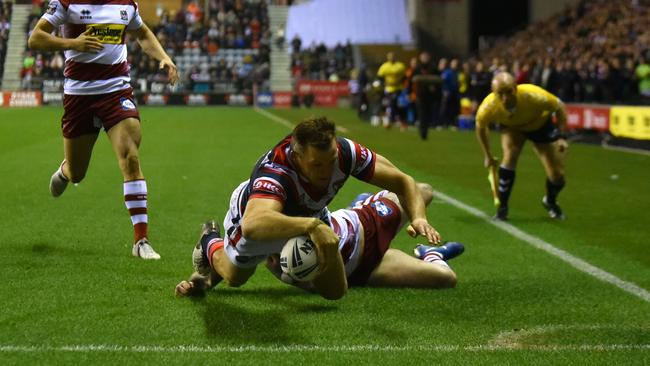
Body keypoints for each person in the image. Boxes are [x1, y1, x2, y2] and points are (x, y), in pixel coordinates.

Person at [175, 117, 442, 300]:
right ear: (298, 156)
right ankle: (209, 240)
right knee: (235, 277)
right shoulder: (276, 174)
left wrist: (418, 217)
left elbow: (402, 180)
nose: (327, 172)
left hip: (309, 214)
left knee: (335, 290)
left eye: (331, 161)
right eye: (317, 165)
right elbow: (254, 224)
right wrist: (313, 226)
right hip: (260, 215)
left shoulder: (344, 153)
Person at [28, 1, 179, 259]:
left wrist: (164, 57)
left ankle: (141, 240)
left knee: (130, 157)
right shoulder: (66, 3)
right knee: (78, 173)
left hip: (116, 90)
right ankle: (66, 171)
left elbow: (142, 32)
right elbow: (36, 38)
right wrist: (73, 44)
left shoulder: (126, 4)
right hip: (79, 94)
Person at [175, 184, 464, 297]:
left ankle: (363, 202)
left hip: (366, 225)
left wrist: (418, 218)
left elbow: (422, 190)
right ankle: (431, 254)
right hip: (366, 271)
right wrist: (199, 282)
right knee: (444, 277)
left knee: (423, 193)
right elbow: (227, 270)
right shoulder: (267, 241)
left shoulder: (296, 214)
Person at [475, 72, 569, 221]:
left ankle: (550, 201)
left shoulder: (533, 94)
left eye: (509, 92)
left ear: (516, 88)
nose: (505, 98)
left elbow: (559, 106)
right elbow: (480, 128)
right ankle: (502, 208)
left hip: (540, 126)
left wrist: (562, 136)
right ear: (493, 93)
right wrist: (488, 155)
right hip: (513, 129)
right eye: (500, 94)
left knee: (557, 176)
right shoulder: (488, 106)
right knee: (510, 155)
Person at [411, 51, 441, 140]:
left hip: (430, 95)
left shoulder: (433, 68)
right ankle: (422, 132)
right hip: (420, 95)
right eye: (423, 57)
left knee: (428, 114)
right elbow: (413, 80)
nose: (425, 58)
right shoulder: (418, 68)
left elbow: (438, 80)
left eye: (426, 57)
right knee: (422, 114)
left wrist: (434, 88)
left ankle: (425, 131)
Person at [376, 52, 407, 130]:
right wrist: (384, 83)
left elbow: (405, 77)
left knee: (396, 104)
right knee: (391, 104)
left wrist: (400, 82)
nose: (391, 58)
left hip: (398, 88)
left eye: (393, 56)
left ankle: (394, 120)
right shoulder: (384, 66)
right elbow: (379, 77)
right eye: (390, 56)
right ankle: (392, 120)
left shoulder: (400, 66)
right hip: (388, 89)